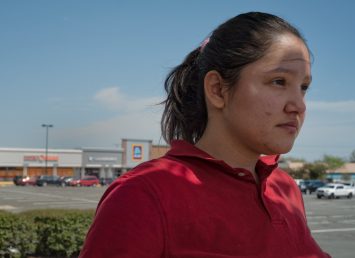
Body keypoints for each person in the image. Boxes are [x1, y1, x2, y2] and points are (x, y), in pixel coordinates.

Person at [80, 12, 331, 258]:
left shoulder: (285, 187)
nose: (298, 105)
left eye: (304, 88)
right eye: (279, 81)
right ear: (217, 90)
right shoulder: (143, 194)